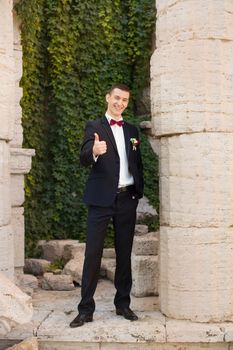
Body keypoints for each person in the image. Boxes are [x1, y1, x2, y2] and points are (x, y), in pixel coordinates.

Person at [70, 83, 144, 328]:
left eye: (124, 100)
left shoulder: (132, 130)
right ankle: (85, 309)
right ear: (107, 97)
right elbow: (82, 157)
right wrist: (94, 149)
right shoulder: (95, 126)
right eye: (116, 98)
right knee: (93, 253)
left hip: (126, 199)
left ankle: (123, 304)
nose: (120, 103)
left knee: (124, 253)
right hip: (101, 199)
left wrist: (137, 191)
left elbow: (137, 162)